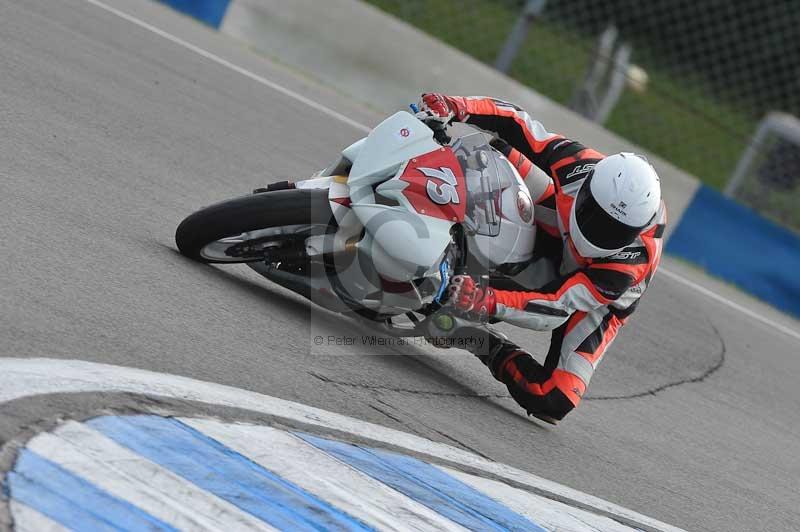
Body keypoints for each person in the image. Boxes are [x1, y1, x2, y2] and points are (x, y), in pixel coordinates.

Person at [417, 93, 667, 424]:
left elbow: (555, 302)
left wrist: (484, 301)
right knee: (497, 151)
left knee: (553, 397)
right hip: (561, 222)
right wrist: (457, 106)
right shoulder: (580, 165)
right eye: (596, 215)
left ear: (635, 230)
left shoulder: (626, 266)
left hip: (594, 299)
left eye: (614, 231)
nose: (599, 233)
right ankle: (423, 192)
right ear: (589, 189)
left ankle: (474, 336)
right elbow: (519, 123)